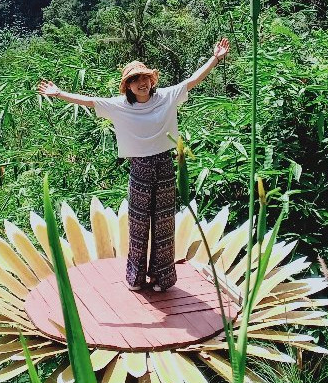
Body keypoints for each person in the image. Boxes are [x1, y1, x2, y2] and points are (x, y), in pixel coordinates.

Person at [37, 38, 230, 292]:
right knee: (138, 224)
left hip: (164, 165)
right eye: (135, 79)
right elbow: (89, 101)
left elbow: (193, 80)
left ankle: (162, 278)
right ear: (128, 85)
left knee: (163, 223)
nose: (142, 83)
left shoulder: (166, 97)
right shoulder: (120, 106)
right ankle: (136, 278)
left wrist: (215, 58)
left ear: (152, 80)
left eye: (146, 78)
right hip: (139, 167)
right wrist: (59, 94)